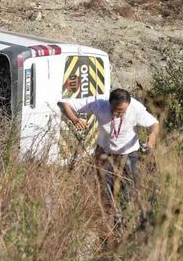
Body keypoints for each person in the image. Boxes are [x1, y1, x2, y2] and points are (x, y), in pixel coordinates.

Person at [58, 88, 159, 232]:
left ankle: (124, 225)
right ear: (109, 103)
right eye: (116, 110)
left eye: (122, 111)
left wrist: (152, 138)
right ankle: (108, 227)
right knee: (106, 191)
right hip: (104, 154)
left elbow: (154, 124)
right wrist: (74, 119)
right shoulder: (99, 103)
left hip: (128, 155)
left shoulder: (136, 107)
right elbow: (63, 103)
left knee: (128, 192)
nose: (118, 114)